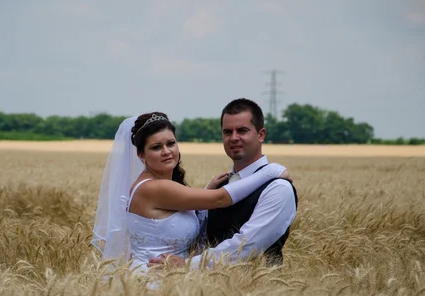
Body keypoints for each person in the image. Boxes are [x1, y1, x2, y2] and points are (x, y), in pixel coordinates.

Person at [91, 111, 291, 281]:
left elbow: (178, 216)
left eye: (171, 143)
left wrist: (205, 192)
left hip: (173, 278)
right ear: (141, 155)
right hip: (152, 279)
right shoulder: (154, 188)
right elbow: (221, 199)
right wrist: (270, 171)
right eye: (156, 147)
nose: (166, 152)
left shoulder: (166, 188)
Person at [148, 98, 298, 270]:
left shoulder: (278, 188)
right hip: (206, 289)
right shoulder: (219, 187)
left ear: (261, 134)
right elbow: (198, 236)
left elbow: (247, 246)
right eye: (227, 132)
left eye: (242, 131)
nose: (234, 138)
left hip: (256, 292)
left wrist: (188, 265)